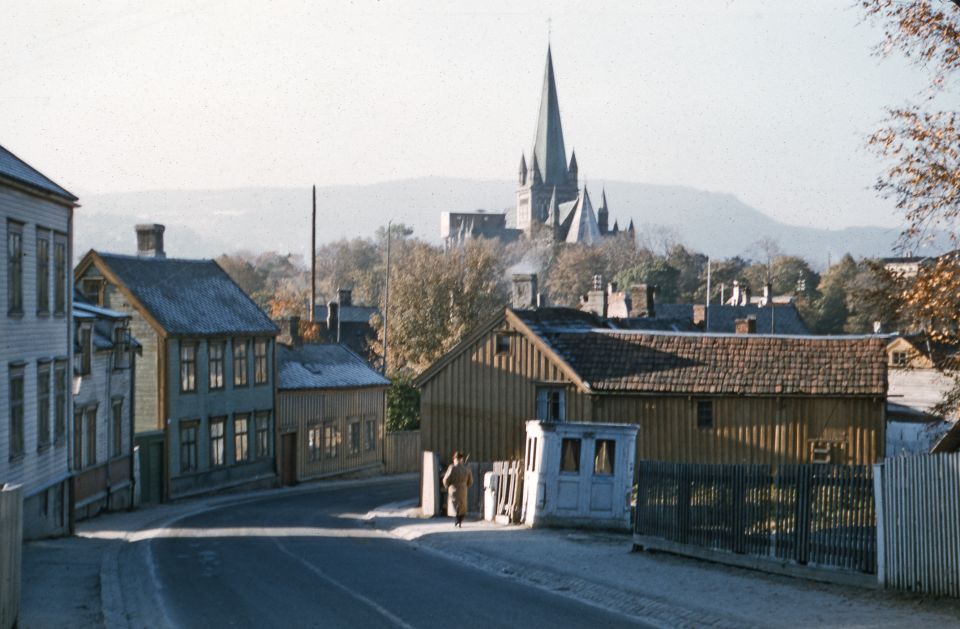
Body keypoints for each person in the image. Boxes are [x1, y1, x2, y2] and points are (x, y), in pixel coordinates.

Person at [442, 451, 473, 528]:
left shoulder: (452, 467)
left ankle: (457, 521)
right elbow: (471, 481)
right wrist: (466, 486)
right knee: (462, 506)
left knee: (455, 506)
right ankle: (459, 521)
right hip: (463, 489)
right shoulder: (466, 468)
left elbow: (446, 479)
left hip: (453, 489)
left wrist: (447, 486)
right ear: (461, 459)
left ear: (455, 459)